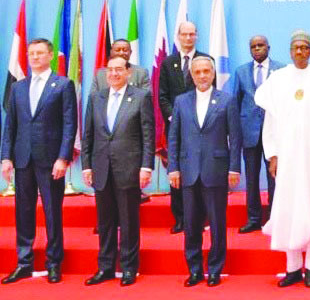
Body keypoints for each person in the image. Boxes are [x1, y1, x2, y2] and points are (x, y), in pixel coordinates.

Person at [255, 30, 310, 288]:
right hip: (287, 157)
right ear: (290, 51)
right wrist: (272, 154)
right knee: (288, 209)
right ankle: (292, 268)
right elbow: (270, 122)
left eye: (305, 47)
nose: (301, 52)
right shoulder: (278, 79)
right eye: (296, 48)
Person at [1, 38, 77, 284]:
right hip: (23, 159)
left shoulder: (63, 85)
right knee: (23, 213)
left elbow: (69, 125)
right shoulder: (18, 87)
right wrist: (6, 157)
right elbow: (10, 125)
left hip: (51, 160)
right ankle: (24, 262)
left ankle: (54, 263)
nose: (34, 57)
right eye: (31, 53)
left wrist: (63, 158)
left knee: (52, 212)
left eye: (40, 53)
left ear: (50, 55)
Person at [167, 56, 241, 287]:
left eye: (206, 71)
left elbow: (235, 138)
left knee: (218, 223)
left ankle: (215, 268)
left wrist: (234, 168)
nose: (202, 75)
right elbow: (174, 137)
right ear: (191, 74)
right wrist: (173, 168)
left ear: (213, 73)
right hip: (188, 171)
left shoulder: (226, 101)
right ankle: (195, 269)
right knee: (191, 224)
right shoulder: (181, 101)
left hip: (216, 170)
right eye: (197, 71)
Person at [82, 54, 155, 286]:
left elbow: (148, 135)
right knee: (105, 223)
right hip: (101, 168)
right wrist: (86, 166)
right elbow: (88, 136)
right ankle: (105, 268)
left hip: (129, 168)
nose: (113, 74)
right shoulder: (96, 98)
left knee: (129, 221)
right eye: (110, 69)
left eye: (118, 69)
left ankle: (129, 268)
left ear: (128, 72)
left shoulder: (141, 97)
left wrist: (146, 166)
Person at [158, 21, 215, 233]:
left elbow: (210, 93)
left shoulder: (206, 61)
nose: (188, 38)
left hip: (199, 129)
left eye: (192, 34)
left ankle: (200, 218)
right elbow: (163, 96)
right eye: (185, 34)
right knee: (177, 173)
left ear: (197, 36)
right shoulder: (168, 62)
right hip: (175, 127)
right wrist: (175, 117)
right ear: (179, 36)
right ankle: (180, 218)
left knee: (198, 172)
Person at [230, 34, 285, 233]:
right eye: (253, 46)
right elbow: (235, 103)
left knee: (275, 177)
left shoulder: (281, 70)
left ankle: (276, 218)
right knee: (252, 179)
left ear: (268, 47)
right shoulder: (241, 71)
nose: (257, 49)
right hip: (249, 133)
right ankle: (253, 219)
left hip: (274, 132)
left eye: (261, 45)